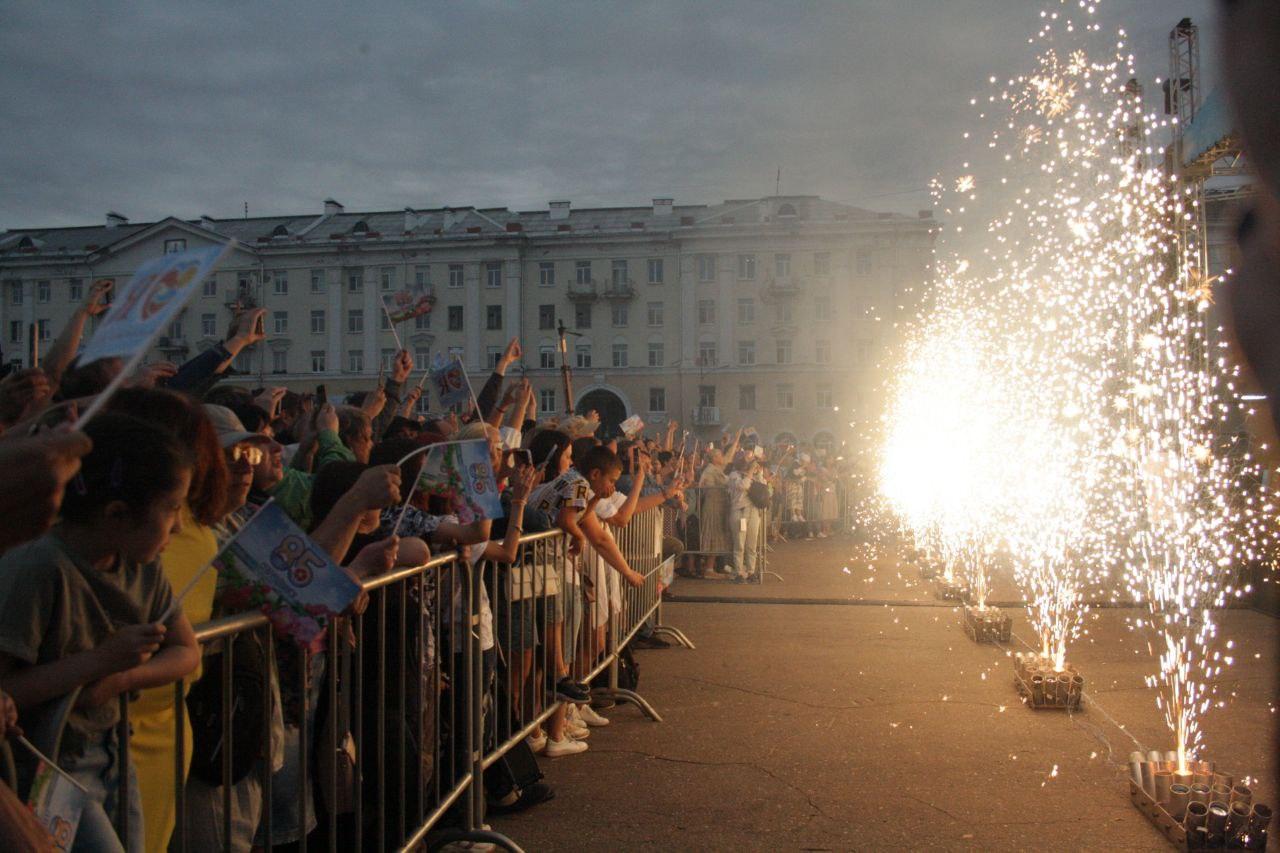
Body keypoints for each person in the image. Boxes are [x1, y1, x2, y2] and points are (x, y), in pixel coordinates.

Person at [0, 413, 200, 852]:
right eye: (171, 509)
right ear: (116, 514)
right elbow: (7, 689)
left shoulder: (141, 564)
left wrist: (121, 679)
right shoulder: (38, 569)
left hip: (113, 753)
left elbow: (186, 651)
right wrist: (98, 663)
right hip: (49, 764)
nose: (180, 526)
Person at [102, 389, 230, 853]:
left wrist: (110, 675)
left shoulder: (174, 539)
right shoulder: (177, 536)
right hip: (122, 740)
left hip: (134, 735)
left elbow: (185, 651)